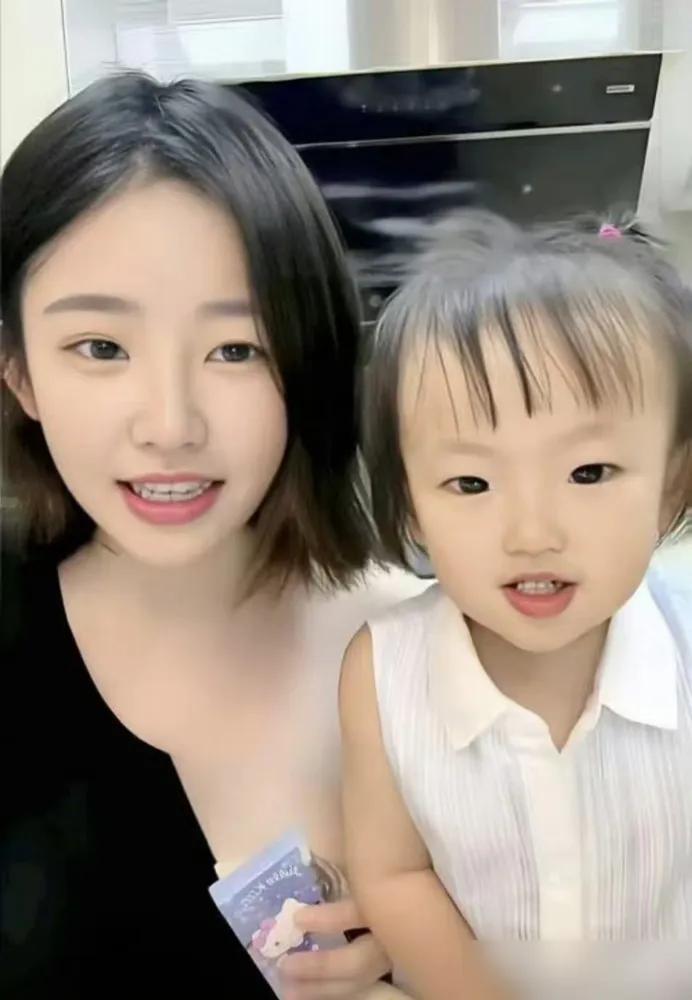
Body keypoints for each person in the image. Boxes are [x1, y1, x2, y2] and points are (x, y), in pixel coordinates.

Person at [0, 72, 425, 998]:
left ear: (307, 362)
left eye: (236, 349)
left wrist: (423, 971)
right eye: (101, 348)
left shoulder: (434, 653)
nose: (170, 425)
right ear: (19, 372)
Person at [339, 211, 692, 999]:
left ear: (673, 483)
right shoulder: (382, 673)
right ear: (410, 508)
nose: (532, 534)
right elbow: (393, 872)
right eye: (471, 483)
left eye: (589, 473)